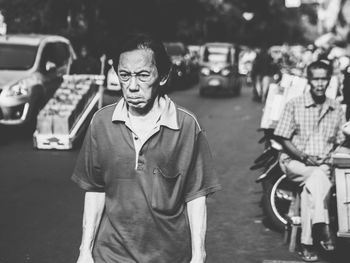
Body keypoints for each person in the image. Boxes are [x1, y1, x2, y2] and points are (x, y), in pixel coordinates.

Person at [71, 32, 221, 263]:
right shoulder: (101, 123)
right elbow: (94, 189)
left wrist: (198, 255)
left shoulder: (186, 126)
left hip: (169, 255)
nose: (132, 86)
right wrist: (85, 251)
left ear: (162, 76)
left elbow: (196, 196)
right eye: (124, 75)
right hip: (111, 254)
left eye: (142, 75)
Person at [274, 60, 345, 262]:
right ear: (309, 80)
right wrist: (304, 156)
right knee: (318, 177)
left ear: (329, 80)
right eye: (316, 79)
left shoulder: (336, 108)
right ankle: (324, 230)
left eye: (324, 79)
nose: (320, 84)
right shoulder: (294, 104)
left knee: (312, 187)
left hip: (322, 166)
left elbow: (340, 141)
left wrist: (327, 157)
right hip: (295, 163)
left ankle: (307, 243)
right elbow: (283, 137)